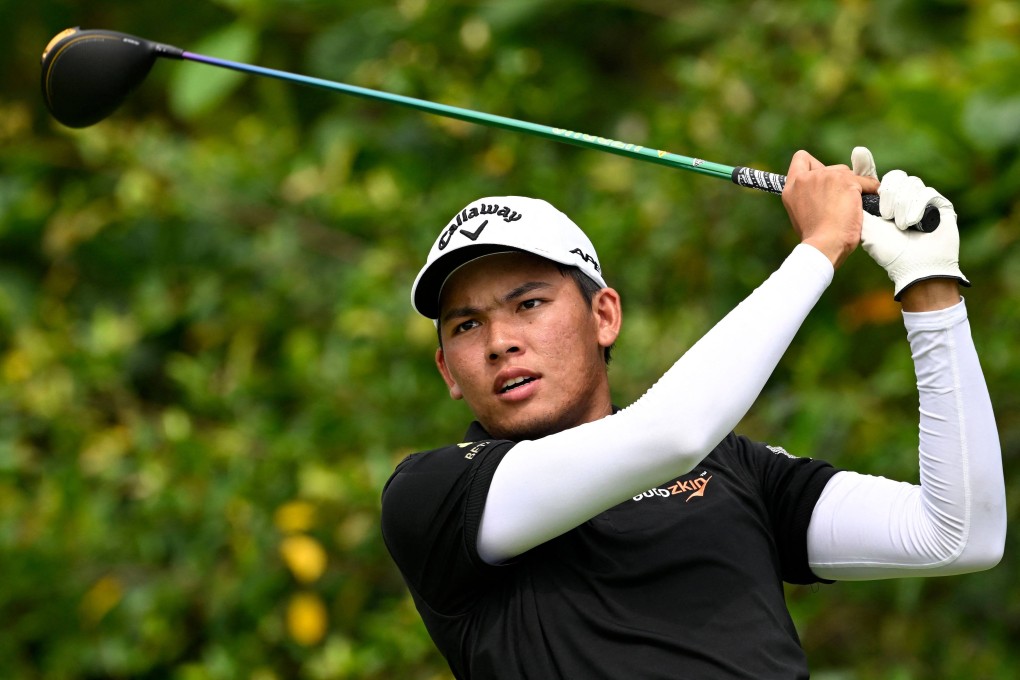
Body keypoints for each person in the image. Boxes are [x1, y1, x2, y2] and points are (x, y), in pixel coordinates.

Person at [379, 147, 1006, 679]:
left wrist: (929, 287)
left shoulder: (733, 467)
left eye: (529, 304)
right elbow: (669, 434)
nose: (499, 341)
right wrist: (820, 247)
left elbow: (956, 536)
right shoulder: (435, 494)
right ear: (447, 371)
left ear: (604, 316)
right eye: (467, 325)